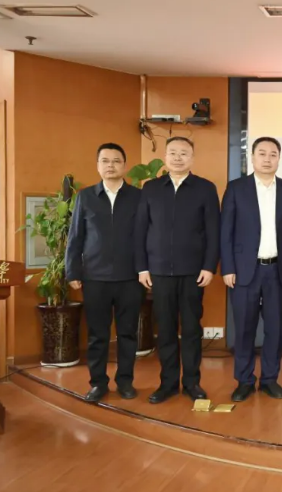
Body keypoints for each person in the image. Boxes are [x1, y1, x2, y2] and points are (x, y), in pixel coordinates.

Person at [134, 136, 221, 404]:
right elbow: (140, 230)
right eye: (173, 153)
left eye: (184, 153)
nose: (178, 158)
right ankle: (168, 383)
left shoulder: (205, 188)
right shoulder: (151, 188)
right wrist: (142, 267)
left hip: (193, 272)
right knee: (166, 330)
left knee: (192, 329)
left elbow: (213, 231)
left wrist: (209, 266)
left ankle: (192, 383)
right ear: (165, 157)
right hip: (159, 272)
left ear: (192, 158)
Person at [221, 137, 282, 402]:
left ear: (279, 159)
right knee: (244, 328)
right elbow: (226, 231)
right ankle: (244, 380)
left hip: (277, 270)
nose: (267, 159)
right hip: (244, 270)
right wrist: (228, 267)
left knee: (274, 329)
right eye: (262, 153)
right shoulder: (236, 188)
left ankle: (269, 379)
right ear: (252, 158)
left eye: (273, 154)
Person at [66, 142, 143, 402]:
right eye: (105, 161)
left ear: (125, 165)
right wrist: (73, 271)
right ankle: (98, 383)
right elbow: (75, 237)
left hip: (130, 277)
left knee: (128, 334)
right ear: (98, 165)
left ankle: (125, 382)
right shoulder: (86, 197)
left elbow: (146, 236)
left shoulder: (138, 197)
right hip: (95, 277)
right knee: (97, 335)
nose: (111, 165)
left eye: (116, 161)